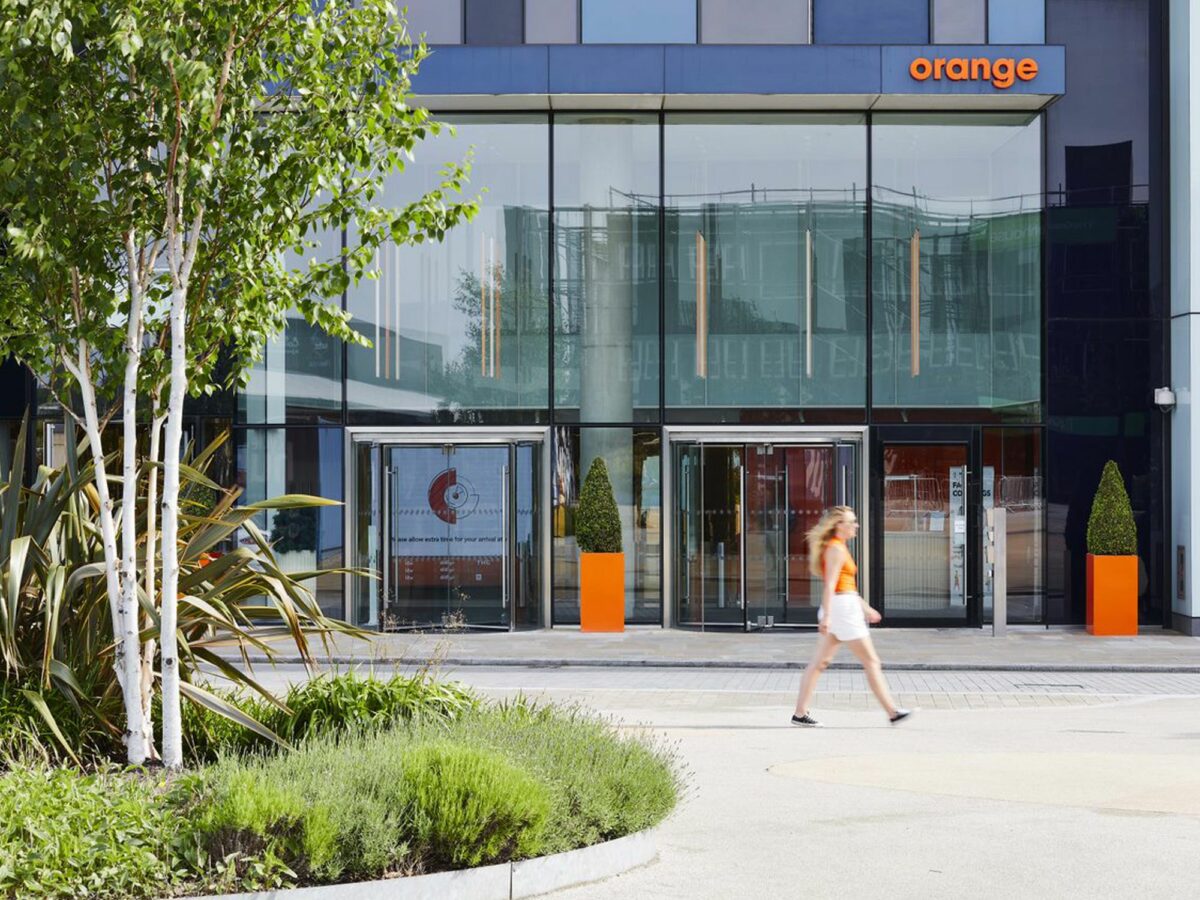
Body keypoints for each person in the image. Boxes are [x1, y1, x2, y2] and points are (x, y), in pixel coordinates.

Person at [791, 505, 911, 727]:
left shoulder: (838, 547)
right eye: (851, 522)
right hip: (842, 610)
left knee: (819, 663)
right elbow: (830, 585)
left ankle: (800, 714)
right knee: (871, 661)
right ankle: (892, 712)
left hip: (842, 607)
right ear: (839, 525)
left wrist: (865, 608)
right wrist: (827, 616)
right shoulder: (836, 549)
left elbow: (845, 587)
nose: (856, 525)